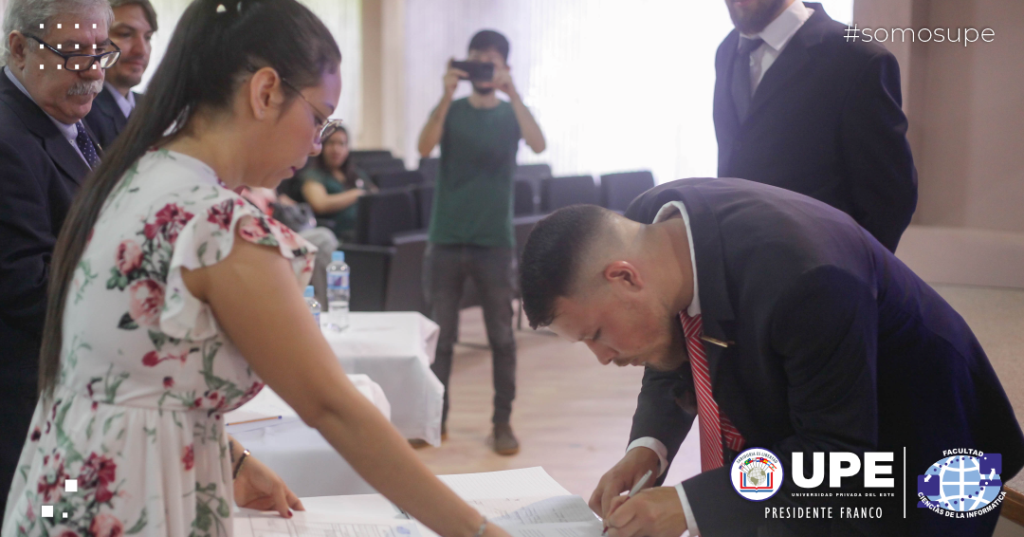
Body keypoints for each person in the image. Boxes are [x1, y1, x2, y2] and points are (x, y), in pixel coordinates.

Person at [1, 3, 514, 537]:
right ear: (266, 92)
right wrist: (478, 531)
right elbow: (334, 408)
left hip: (62, 486)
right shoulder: (217, 224)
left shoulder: (138, 177)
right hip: (130, 501)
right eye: (319, 118)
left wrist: (233, 458)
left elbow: (137, 375)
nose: (318, 143)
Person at [518, 180, 1024, 536]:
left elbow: (835, 458)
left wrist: (690, 506)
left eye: (598, 334)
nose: (602, 357)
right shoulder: (649, 228)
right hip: (826, 431)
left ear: (624, 277)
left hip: (921, 452)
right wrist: (646, 450)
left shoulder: (807, 280)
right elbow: (666, 342)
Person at [0, 0, 114, 515]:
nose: (92, 70)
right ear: (18, 48)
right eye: (71, 52)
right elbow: (23, 283)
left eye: (99, 52)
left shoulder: (70, 116)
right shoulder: (7, 136)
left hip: (73, 393)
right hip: (30, 404)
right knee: (53, 522)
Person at [416, 30, 546, 455]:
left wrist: (515, 92)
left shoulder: (511, 115)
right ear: (465, 63)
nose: (482, 66)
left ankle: (502, 423)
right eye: (477, 58)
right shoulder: (450, 110)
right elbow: (423, 146)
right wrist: (444, 94)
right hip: (447, 238)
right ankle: (436, 421)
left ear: (503, 65)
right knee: (443, 339)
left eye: (491, 60)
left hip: (494, 241)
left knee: (502, 340)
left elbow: (539, 142)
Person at [713, 0, 917, 252]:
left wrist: (846, 273)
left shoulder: (857, 58)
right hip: (737, 265)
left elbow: (890, 198)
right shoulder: (728, 49)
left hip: (818, 275)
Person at [83, 0, 157, 150]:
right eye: (126, 34)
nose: (141, 50)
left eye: (148, 37)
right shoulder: (83, 109)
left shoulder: (151, 107)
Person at [299, 125, 370, 243]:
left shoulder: (355, 173)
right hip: (337, 237)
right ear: (322, 145)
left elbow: (374, 194)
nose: (336, 149)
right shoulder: (313, 174)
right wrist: (356, 195)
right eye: (331, 143)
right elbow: (320, 204)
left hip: (364, 231)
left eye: (342, 144)